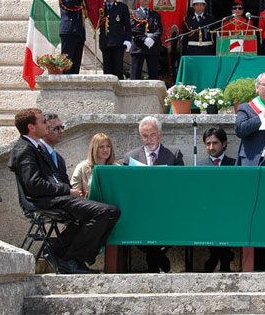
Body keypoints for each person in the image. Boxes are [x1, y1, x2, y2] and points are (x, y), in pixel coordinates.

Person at [7, 108, 121, 274]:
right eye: (42, 122)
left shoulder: (35, 147)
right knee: (104, 212)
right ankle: (71, 260)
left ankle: (60, 251)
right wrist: (67, 190)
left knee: (111, 212)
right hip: (44, 200)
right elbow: (34, 185)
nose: (46, 125)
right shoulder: (24, 149)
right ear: (31, 127)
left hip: (55, 197)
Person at [123, 116, 183, 272]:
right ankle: (157, 256)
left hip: (167, 205)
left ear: (160, 134)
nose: (149, 140)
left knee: (177, 216)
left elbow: (181, 183)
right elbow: (125, 186)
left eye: (152, 135)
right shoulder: (131, 157)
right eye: (145, 136)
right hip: (140, 206)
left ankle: (153, 257)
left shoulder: (174, 154)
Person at [197, 127, 235, 272]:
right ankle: (222, 256)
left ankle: (217, 257)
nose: (211, 147)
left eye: (215, 143)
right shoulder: (200, 166)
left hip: (229, 210)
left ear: (224, 143)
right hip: (208, 211)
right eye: (208, 144)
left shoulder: (235, 164)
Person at [98, 0, 131, 80]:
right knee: (107, 70)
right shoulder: (101, 8)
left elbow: (127, 25)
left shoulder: (122, 7)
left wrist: (128, 39)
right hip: (105, 42)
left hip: (118, 43)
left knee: (118, 69)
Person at [130, 0, 163, 80]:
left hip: (152, 46)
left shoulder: (156, 15)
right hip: (138, 46)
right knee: (135, 76)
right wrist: (145, 39)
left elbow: (159, 29)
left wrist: (152, 39)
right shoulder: (133, 13)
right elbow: (133, 29)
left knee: (154, 76)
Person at [71, 133, 118, 198]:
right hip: (88, 203)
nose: (105, 150)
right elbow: (76, 195)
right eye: (101, 147)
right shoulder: (81, 168)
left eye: (108, 146)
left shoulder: (117, 168)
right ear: (93, 149)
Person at [59, 0, 86, 74]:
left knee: (76, 65)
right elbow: (70, 2)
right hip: (69, 30)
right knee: (67, 64)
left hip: (79, 31)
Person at [39, 113, 68, 183]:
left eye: (62, 127)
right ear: (44, 130)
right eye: (56, 128)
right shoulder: (37, 153)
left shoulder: (59, 158)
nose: (61, 131)